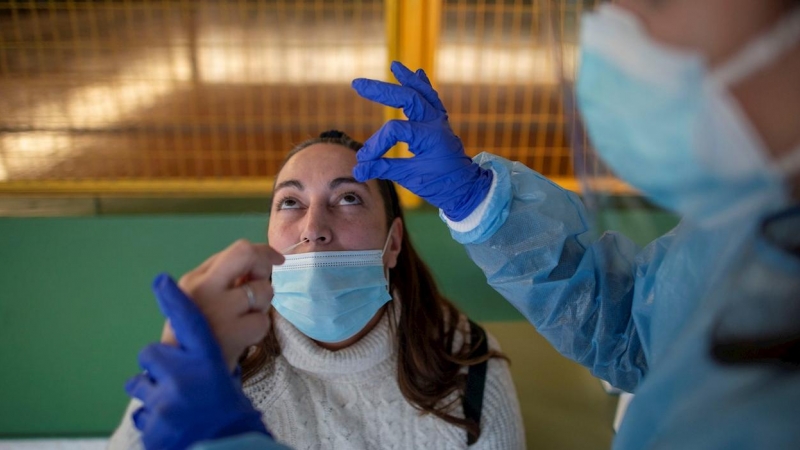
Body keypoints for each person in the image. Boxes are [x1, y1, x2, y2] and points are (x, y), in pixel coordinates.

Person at [346, 1, 800, 449]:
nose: (614, 24)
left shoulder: (464, 365)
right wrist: (476, 198)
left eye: (657, 1)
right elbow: (632, 332)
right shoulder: (750, 232)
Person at [110, 131, 525, 450]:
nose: (312, 229)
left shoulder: (465, 360)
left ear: (393, 243)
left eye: (348, 198)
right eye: (290, 202)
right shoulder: (215, 356)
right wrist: (186, 361)